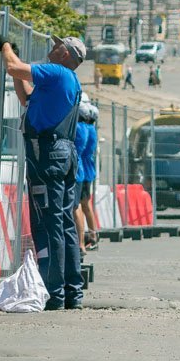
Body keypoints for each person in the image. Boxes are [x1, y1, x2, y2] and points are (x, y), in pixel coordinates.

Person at [0, 34, 86, 310]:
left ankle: (54, 292)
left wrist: (5, 46)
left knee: (48, 224)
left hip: (47, 153)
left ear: (66, 54)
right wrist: (14, 62)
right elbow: (25, 96)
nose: (52, 47)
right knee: (64, 223)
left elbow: (13, 67)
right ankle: (72, 292)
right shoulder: (65, 81)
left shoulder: (57, 72)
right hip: (64, 152)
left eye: (57, 45)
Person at [73, 100, 100, 252]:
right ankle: (89, 235)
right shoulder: (89, 129)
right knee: (83, 204)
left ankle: (83, 240)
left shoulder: (81, 129)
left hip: (79, 170)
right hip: (84, 169)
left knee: (79, 205)